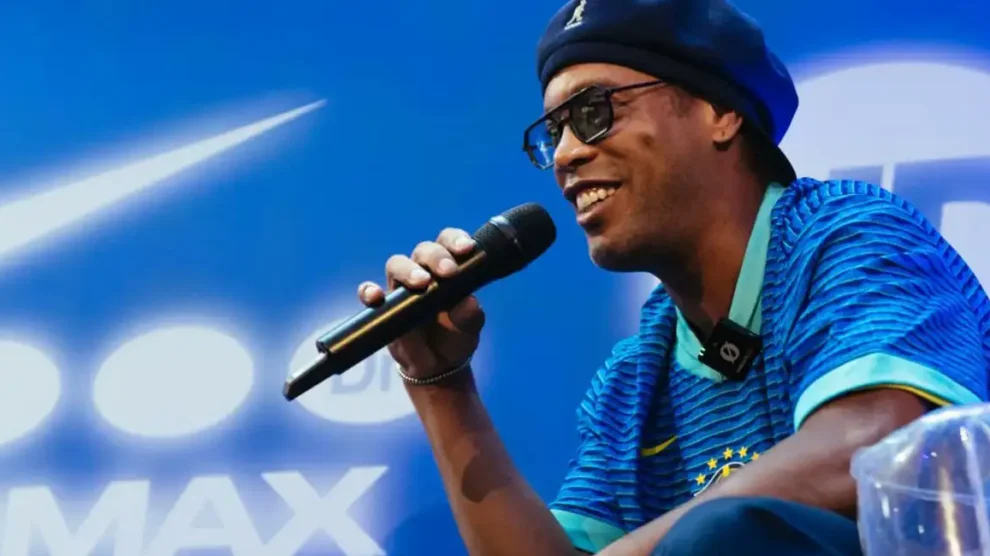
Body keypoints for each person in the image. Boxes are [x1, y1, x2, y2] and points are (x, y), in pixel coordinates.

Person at [358, 0, 990, 554]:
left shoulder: (848, 234)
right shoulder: (635, 378)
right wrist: (440, 383)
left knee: (718, 537)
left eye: (594, 111)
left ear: (721, 111)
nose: (567, 154)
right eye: (554, 132)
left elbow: (879, 440)